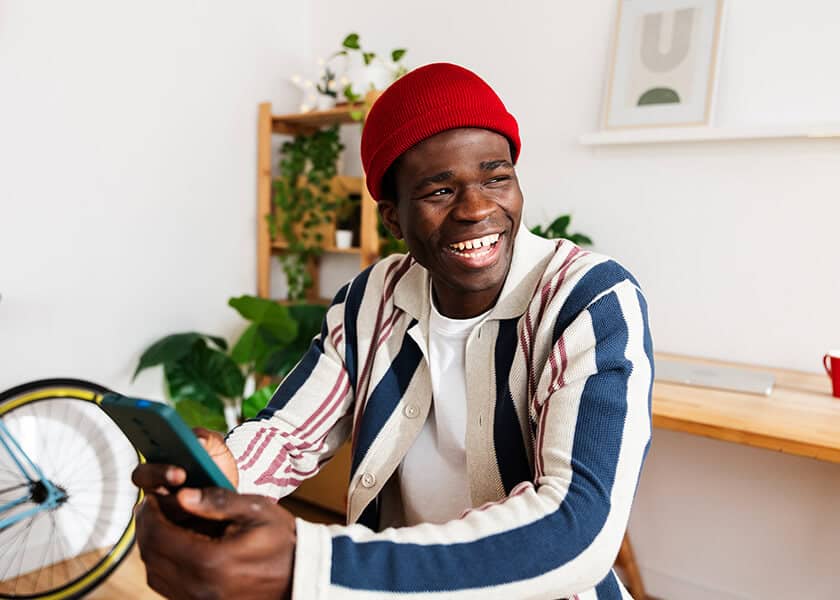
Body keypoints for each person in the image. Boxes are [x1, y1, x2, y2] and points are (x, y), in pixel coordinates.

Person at [133, 62, 653, 600]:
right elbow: (290, 435)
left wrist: (316, 568)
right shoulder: (371, 298)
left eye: (496, 177)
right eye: (439, 191)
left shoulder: (589, 299)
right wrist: (227, 474)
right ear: (393, 219)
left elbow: (577, 527)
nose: (477, 208)